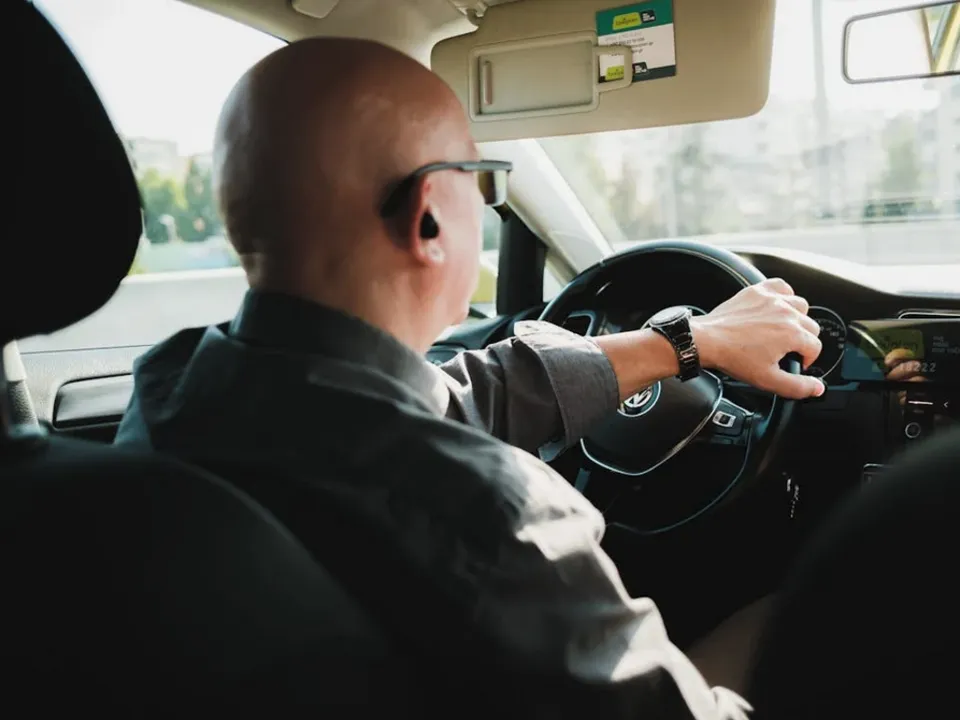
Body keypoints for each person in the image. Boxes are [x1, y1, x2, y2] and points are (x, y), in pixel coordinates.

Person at [114, 37, 825, 719]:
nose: (484, 207)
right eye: (482, 182)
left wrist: (685, 341)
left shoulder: (169, 391)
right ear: (429, 219)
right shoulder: (491, 519)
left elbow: (432, 401)